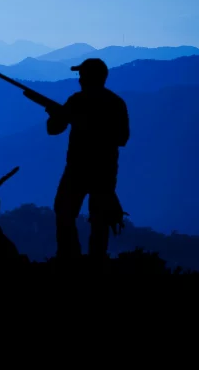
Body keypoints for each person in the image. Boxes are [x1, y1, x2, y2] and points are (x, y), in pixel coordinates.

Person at [26, 58, 130, 261]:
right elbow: (122, 138)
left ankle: (70, 257)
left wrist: (67, 119)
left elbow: (54, 129)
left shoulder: (79, 101)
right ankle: (90, 260)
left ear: (92, 77)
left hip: (81, 169)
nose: (80, 79)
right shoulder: (114, 102)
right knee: (94, 218)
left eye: (82, 75)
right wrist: (56, 114)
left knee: (70, 212)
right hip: (102, 169)